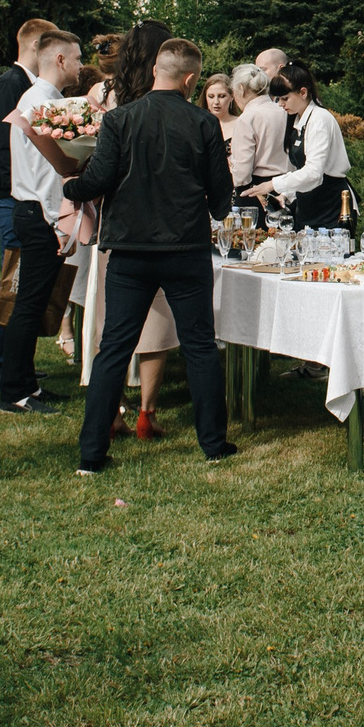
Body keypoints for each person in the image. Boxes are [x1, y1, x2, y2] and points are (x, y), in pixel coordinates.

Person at [64, 37, 237, 473]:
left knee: (114, 348)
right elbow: (221, 199)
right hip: (185, 249)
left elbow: (98, 179)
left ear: (157, 70)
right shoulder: (204, 123)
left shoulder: (120, 118)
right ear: (191, 80)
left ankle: (91, 453)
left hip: (130, 250)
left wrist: (70, 185)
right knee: (199, 346)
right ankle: (214, 444)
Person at [0, 30, 91, 415]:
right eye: (78, 58)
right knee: (29, 304)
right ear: (60, 60)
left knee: (35, 302)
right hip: (40, 213)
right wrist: (59, 223)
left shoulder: (46, 100)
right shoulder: (39, 103)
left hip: (37, 212)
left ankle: (27, 384)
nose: (82, 65)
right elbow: (48, 173)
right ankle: (14, 392)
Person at [0, 19, 57, 392]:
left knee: (22, 280)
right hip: (8, 194)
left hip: (16, 194)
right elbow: (8, 147)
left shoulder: (27, 85)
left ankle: (16, 365)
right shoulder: (13, 85)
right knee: (15, 280)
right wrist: (24, 195)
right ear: (38, 46)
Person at [257, 63, 353, 230]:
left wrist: (272, 184)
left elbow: (314, 173)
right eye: (278, 99)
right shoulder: (297, 120)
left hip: (331, 207)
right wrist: (286, 195)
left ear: (303, 92)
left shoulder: (319, 120)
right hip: (309, 205)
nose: (280, 104)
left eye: (285, 98)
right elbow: (302, 170)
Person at [231, 64, 290, 195]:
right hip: (289, 186)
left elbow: (242, 172)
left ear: (241, 89)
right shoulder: (285, 111)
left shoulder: (247, 118)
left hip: (257, 189)